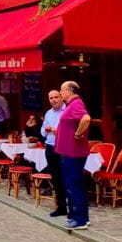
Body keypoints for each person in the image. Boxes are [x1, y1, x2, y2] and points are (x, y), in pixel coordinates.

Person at [55, 81, 92, 230]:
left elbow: (86, 118)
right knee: (76, 183)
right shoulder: (72, 105)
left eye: (62, 90)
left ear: (70, 90)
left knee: (73, 184)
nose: (60, 92)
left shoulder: (76, 104)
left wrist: (77, 134)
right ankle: (83, 216)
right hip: (70, 151)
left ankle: (79, 219)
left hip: (73, 152)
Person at [40, 90, 67, 218]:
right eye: (51, 98)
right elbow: (42, 131)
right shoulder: (48, 113)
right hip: (50, 147)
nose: (54, 100)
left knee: (66, 178)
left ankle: (71, 207)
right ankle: (61, 207)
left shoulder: (67, 111)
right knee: (56, 179)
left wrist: (60, 131)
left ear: (61, 97)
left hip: (64, 148)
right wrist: (45, 130)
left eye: (56, 97)